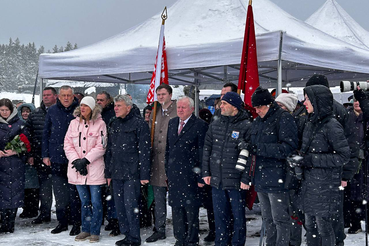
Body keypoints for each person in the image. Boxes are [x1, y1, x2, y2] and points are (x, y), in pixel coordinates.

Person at [305, 75, 359, 246]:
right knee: (315, 226)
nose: (305, 101)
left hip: (331, 179)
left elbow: (350, 147)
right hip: (314, 180)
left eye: (308, 97)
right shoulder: (310, 117)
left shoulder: (336, 116)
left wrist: (346, 175)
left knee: (331, 224)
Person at [243, 87, 298, 246]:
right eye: (255, 107)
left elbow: (288, 148)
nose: (257, 110)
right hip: (260, 177)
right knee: (268, 219)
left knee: (280, 219)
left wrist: (258, 148)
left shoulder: (283, 118)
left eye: (260, 107)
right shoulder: (258, 121)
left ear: (269, 104)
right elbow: (254, 146)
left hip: (278, 178)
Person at [298, 85, 350, 245]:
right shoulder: (310, 122)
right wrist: (298, 158)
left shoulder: (332, 125)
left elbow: (343, 156)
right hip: (310, 185)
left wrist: (312, 160)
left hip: (325, 188)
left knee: (324, 229)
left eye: (307, 99)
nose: (304, 102)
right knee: (310, 228)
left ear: (317, 101)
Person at [202, 92, 251, 246]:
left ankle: (237, 243)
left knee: (238, 217)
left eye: (224, 104)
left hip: (235, 180)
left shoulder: (246, 125)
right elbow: (207, 148)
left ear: (234, 107)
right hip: (217, 179)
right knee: (220, 216)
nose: (220, 106)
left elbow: (250, 155)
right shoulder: (215, 123)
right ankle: (221, 242)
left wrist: (245, 178)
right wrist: (205, 172)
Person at [105, 94, 151, 246]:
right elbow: (110, 150)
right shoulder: (114, 123)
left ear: (128, 107)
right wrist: (108, 173)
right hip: (117, 172)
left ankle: (134, 237)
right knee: (120, 207)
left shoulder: (139, 124)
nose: (115, 109)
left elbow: (145, 151)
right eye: (115, 106)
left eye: (119, 106)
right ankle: (126, 235)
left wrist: (144, 174)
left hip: (132, 173)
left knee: (131, 206)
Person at [165, 96, 208, 246]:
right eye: (178, 107)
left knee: (191, 210)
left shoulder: (200, 125)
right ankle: (180, 238)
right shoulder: (172, 123)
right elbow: (168, 149)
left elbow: (203, 152)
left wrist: (202, 175)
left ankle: (191, 240)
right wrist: (167, 171)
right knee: (176, 208)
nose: (180, 110)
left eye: (183, 107)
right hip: (174, 174)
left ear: (191, 108)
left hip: (191, 174)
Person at [64, 96, 107, 243]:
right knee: (84, 202)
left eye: (86, 106)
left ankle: (95, 230)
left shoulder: (100, 124)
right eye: (81, 105)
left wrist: (86, 160)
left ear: (92, 108)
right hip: (77, 169)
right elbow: (68, 144)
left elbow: (101, 146)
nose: (82, 108)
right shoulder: (73, 123)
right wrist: (76, 161)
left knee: (96, 201)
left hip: (94, 169)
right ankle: (85, 228)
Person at [42, 85, 81, 235]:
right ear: (58, 96)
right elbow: (46, 134)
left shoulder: (80, 110)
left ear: (73, 97)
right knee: (59, 193)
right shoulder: (52, 110)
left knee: (76, 193)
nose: (66, 98)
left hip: (76, 158)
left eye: (69, 95)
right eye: (63, 95)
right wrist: (45, 154)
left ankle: (76, 222)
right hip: (57, 156)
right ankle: (62, 222)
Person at [146, 84, 177, 243]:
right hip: (156, 162)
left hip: (173, 162)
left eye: (163, 94)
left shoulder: (178, 110)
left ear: (170, 95)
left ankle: (181, 229)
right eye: (158, 94)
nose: (160, 97)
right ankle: (160, 229)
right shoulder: (155, 111)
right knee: (158, 200)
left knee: (178, 199)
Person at [275, 92, 303, 246]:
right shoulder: (276, 122)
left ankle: (294, 242)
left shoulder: (295, 122)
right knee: (281, 213)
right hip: (279, 174)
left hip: (292, 175)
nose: (277, 109)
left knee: (293, 212)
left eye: (281, 106)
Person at [27, 87, 57, 225]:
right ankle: (44, 213)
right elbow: (29, 136)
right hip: (40, 156)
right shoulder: (35, 114)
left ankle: (65, 214)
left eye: (48, 95)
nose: (45, 97)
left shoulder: (61, 112)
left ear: (55, 96)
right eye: (44, 95)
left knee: (60, 188)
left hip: (59, 156)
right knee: (44, 188)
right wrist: (31, 154)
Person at [0, 98, 30, 233]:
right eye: (2, 110)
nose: (4, 112)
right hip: (1, 163)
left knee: (13, 193)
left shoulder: (20, 124)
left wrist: (15, 149)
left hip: (15, 164)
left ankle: (10, 222)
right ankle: (2, 221)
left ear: (11, 111)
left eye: (6, 110)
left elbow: (27, 142)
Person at [96, 91, 120, 236]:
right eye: (97, 100)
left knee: (112, 192)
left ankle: (115, 219)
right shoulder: (96, 115)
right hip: (99, 159)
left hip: (111, 157)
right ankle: (108, 218)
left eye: (101, 100)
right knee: (103, 193)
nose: (99, 102)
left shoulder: (112, 115)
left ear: (108, 101)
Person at [17, 103, 39, 219]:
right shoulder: (17, 125)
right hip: (21, 160)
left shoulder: (33, 124)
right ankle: (26, 208)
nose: (25, 114)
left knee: (33, 188)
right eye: (23, 111)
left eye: (28, 111)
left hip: (33, 159)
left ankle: (33, 209)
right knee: (25, 187)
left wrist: (31, 154)